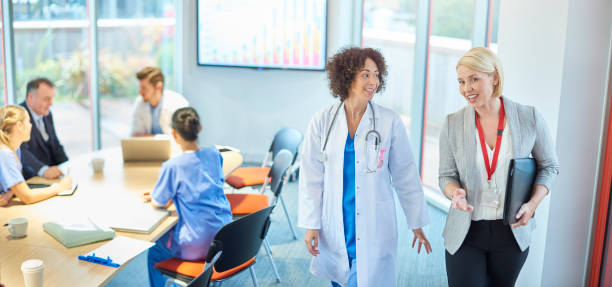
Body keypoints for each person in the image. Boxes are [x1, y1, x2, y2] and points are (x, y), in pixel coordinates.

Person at [298, 47, 432, 287]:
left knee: (365, 278)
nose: (374, 82)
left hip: (374, 220)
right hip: (337, 219)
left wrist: (416, 221)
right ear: (347, 76)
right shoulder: (323, 120)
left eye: (377, 75)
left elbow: (405, 175)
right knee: (342, 276)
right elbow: (311, 177)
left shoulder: (389, 121)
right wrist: (312, 224)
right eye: (366, 74)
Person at [439, 47, 560, 287]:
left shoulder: (529, 117)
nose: (466, 88)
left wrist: (532, 204)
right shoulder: (452, 123)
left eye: (474, 79)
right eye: (462, 81)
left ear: (494, 77)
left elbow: (549, 166)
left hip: (511, 233)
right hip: (466, 232)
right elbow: (446, 175)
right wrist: (455, 193)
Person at [143, 107, 232, 287]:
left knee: (154, 251)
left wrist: (157, 196)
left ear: (174, 133)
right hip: (226, 237)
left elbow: (158, 203)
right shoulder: (214, 154)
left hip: (197, 245)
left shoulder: (172, 166)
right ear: (199, 128)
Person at [0, 105, 72, 207]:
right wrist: (60, 187)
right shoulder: (5, 154)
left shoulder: (15, 149)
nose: (31, 126)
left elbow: (15, 184)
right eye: (28, 122)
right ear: (20, 125)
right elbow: (27, 197)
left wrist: (8, 194)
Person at [19, 78, 69, 179]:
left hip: (52, 176)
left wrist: (68, 165)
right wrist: (43, 170)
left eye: (51, 98)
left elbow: (55, 144)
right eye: (46, 99)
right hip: (33, 178)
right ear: (30, 97)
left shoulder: (47, 114)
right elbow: (22, 152)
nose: (51, 104)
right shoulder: (18, 116)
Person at [131, 67, 189, 137]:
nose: (140, 92)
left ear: (159, 86)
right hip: (148, 147)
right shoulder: (140, 103)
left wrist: (151, 137)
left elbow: (182, 137)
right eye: (140, 87)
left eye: (144, 88)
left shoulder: (178, 103)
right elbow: (136, 135)